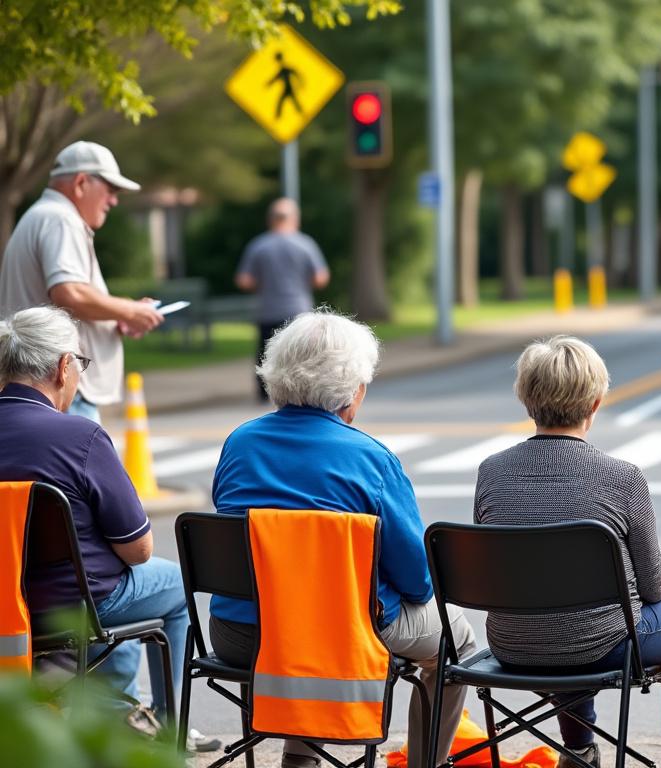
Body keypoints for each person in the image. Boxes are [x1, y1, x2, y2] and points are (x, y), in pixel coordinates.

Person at [209, 310, 475, 768]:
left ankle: (301, 756)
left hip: (241, 632)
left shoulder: (239, 444)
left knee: (299, 613)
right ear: (354, 392)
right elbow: (417, 582)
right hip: (338, 638)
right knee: (460, 641)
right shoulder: (371, 460)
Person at [474, 336, 661, 768]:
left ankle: (579, 749)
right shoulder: (622, 478)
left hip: (512, 643)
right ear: (596, 403)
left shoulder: (490, 472)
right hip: (605, 648)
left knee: (558, 602)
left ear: (527, 400)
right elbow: (654, 589)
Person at [0, 307, 214, 749]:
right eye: (80, 363)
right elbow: (137, 549)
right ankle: (165, 727)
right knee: (168, 580)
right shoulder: (81, 437)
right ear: (63, 367)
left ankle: (117, 711)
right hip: (69, 604)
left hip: (9, 605)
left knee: (108, 579)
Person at [0, 141, 163, 424]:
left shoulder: (43, 216)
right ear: (81, 182)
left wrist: (117, 316)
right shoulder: (61, 219)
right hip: (60, 386)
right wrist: (130, 311)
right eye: (111, 190)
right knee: (81, 465)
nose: (113, 200)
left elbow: (66, 297)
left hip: (38, 384)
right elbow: (69, 293)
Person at [235, 197, 329, 401]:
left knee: (266, 353)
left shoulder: (259, 246)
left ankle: (264, 394)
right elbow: (321, 278)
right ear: (295, 219)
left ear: (271, 220)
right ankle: (303, 393)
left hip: (268, 309)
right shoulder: (305, 244)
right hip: (298, 309)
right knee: (302, 355)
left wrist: (263, 282)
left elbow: (244, 280)